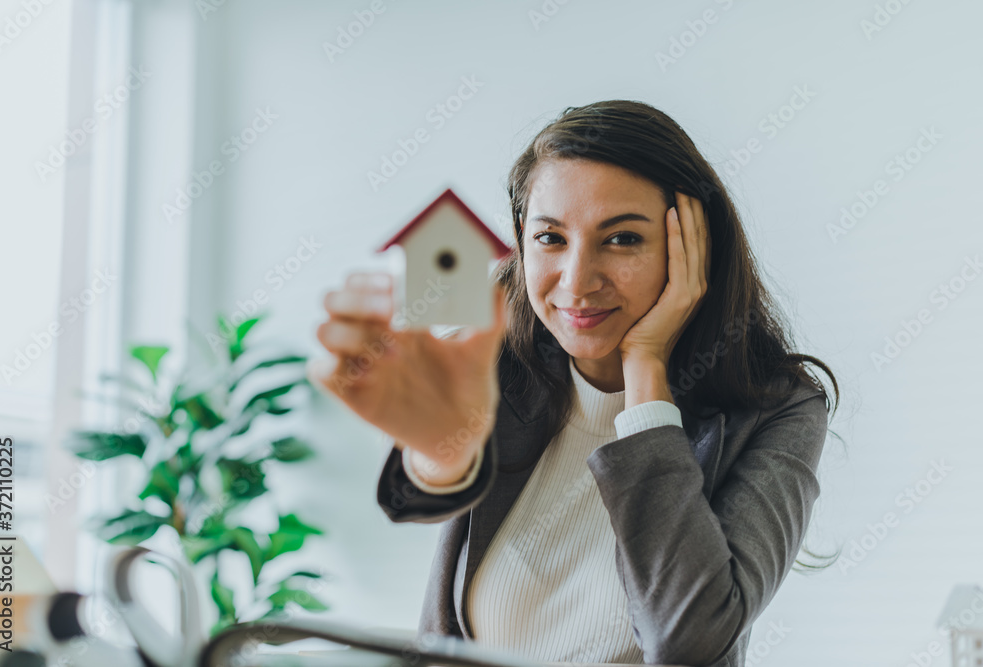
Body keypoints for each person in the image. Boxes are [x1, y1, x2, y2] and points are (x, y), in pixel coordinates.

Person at [308, 100, 840, 667]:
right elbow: (416, 494)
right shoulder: (500, 361)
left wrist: (646, 371)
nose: (577, 281)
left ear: (693, 247)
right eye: (551, 238)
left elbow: (690, 641)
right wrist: (444, 453)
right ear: (521, 242)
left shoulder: (780, 410)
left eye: (622, 240)